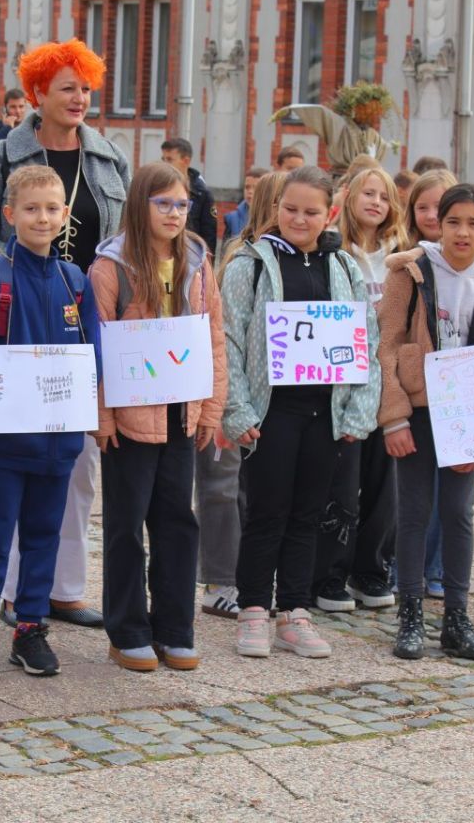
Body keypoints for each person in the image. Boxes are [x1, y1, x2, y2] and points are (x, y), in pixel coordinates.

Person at [0, 38, 131, 629]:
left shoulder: (109, 159)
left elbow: (120, 239)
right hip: (18, 321)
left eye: (85, 87)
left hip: (80, 315)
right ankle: (10, 596)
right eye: (68, 88)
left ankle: (62, 589)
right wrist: (13, 274)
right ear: (38, 94)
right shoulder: (1, 157)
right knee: (14, 467)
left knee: (77, 463)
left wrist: (91, 287)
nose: (80, 97)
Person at [219, 166, 381, 660]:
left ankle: (294, 610)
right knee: (267, 511)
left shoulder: (346, 268)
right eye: (290, 209)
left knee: (309, 513)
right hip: (273, 411)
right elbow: (229, 336)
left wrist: (359, 411)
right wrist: (237, 408)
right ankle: (252, 608)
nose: (299, 219)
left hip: (323, 412)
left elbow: (366, 340)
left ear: (329, 213)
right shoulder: (252, 265)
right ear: (276, 208)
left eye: (311, 212)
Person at [0, 165, 101, 681]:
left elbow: (91, 355)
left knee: (44, 536)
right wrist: (9, 406)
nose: (43, 217)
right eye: (32, 209)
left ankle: (31, 626)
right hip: (5, 442)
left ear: (65, 216)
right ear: (10, 214)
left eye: (52, 209)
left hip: (58, 444)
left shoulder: (75, 281)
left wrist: (81, 406)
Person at [378, 183, 474, 661]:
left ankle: (457, 619)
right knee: (414, 513)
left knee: (459, 515)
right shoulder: (411, 273)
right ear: (438, 224)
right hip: (418, 412)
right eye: (454, 221)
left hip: (467, 417)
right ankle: (411, 615)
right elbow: (385, 345)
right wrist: (394, 417)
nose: (463, 232)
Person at [93, 163, 228, 672]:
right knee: (126, 526)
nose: (174, 213)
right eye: (163, 203)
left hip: (181, 414)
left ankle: (175, 627)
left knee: (177, 522)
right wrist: (102, 417)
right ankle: (127, 629)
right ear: (140, 205)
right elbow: (98, 345)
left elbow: (215, 334)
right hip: (129, 419)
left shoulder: (197, 259)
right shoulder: (111, 266)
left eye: (182, 204)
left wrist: (212, 408)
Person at [194, 169, 288, 620]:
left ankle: (249, 576)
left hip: (273, 396)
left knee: (253, 494)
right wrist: (225, 402)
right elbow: (226, 337)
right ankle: (218, 580)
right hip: (233, 391)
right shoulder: (240, 260)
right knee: (221, 489)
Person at [313, 166, 405, 613]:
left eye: (383, 196)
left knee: (382, 483)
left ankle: (371, 569)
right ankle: (330, 572)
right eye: (367, 193)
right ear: (348, 199)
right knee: (340, 481)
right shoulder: (333, 249)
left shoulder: (401, 254)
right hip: (343, 379)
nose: (375, 202)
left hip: (387, 381)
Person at [401, 168, 451, 599]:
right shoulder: (403, 262)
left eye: (442, 206)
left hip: (457, 391)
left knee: (451, 494)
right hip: (414, 391)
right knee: (412, 494)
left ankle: (436, 568)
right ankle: (407, 570)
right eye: (424, 207)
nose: (433, 215)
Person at [159, 137, 219, 255]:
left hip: (190, 256)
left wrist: (206, 268)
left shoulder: (202, 194)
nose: (164, 164)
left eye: (169, 159)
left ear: (185, 161)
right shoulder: (158, 188)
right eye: (163, 159)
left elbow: (209, 236)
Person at [0, 87, 30, 154]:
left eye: (21, 106)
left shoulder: (32, 129)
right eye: (13, 107)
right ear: (5, 108)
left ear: (25, 107)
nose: (18, 111)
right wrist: (6, 129)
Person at [223, 166, 267, 240]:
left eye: (256, 188)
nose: (250, 191)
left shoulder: (274, 219)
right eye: (247, 187)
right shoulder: (233, 218)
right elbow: (226, 248)